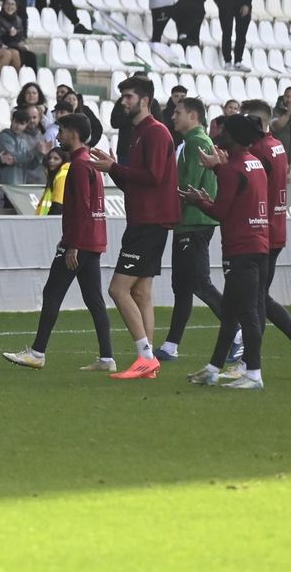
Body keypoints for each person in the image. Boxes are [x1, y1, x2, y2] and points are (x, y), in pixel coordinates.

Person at [3, 113, 116, 371]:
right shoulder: (88, 163)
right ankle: (107, 358)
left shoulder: (77, 165)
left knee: (52, 292)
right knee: (93, 299)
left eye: (62, 130)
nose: (58, 135)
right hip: (93, 240)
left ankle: (37, 352)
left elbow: (83, 209)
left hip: (79, 242)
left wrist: (72, 244)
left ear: (73, 133)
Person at [87, 76, 178, 380]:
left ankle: (145, 357)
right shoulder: (140, 133)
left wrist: (113, 167)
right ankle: (147, 364)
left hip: (149, 222)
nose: (123, 102)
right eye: (122, 97)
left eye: (128, 97)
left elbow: (153, 176)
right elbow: (133, 183)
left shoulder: (154, 132)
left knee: (118, 289)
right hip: (145, 219)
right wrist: (113, 168)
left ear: (145, 100)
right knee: (141, 292)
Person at [179, 115, 271, 390]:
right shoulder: (253, 163)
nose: (218, 134)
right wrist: (218, 169)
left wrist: (199, 200)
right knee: (231, 313)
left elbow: (220, 211)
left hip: (240, 249)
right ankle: (213, 368)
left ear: (234, 137)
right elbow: (239, 190)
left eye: (224, 131)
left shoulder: (233, 169)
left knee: (248, 314)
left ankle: (254, 373)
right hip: (259, 244)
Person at [238, 98, 291, 376]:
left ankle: (248, 364)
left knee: (254, 299)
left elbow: (253, 192)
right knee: (260, 296)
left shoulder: (259, 150)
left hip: (262, 230)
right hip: (276, 228)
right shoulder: (276, 146)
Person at [155, 97, 226, 361]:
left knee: (198, 283)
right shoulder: (193, 142)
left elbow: (187, 188)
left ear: (193, 116)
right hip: (191, 222)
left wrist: (166, 211)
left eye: (178, 112)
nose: (173, 116)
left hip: (194, 221)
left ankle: (238, 332)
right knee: (183, 286)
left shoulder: (197, 142)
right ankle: (172, 344)